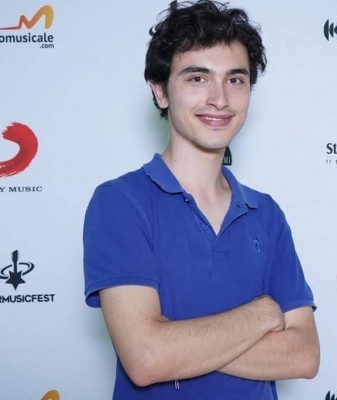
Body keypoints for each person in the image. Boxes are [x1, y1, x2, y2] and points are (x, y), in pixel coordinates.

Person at [83, 1, 320, 399]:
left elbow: (304, 354)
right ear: (161, 91)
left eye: (235, 79)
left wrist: (176, 341)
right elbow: (146, 358)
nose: (219, 99)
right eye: (198, 78)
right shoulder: (120, 202)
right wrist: (261, 314)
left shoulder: (266, 213)